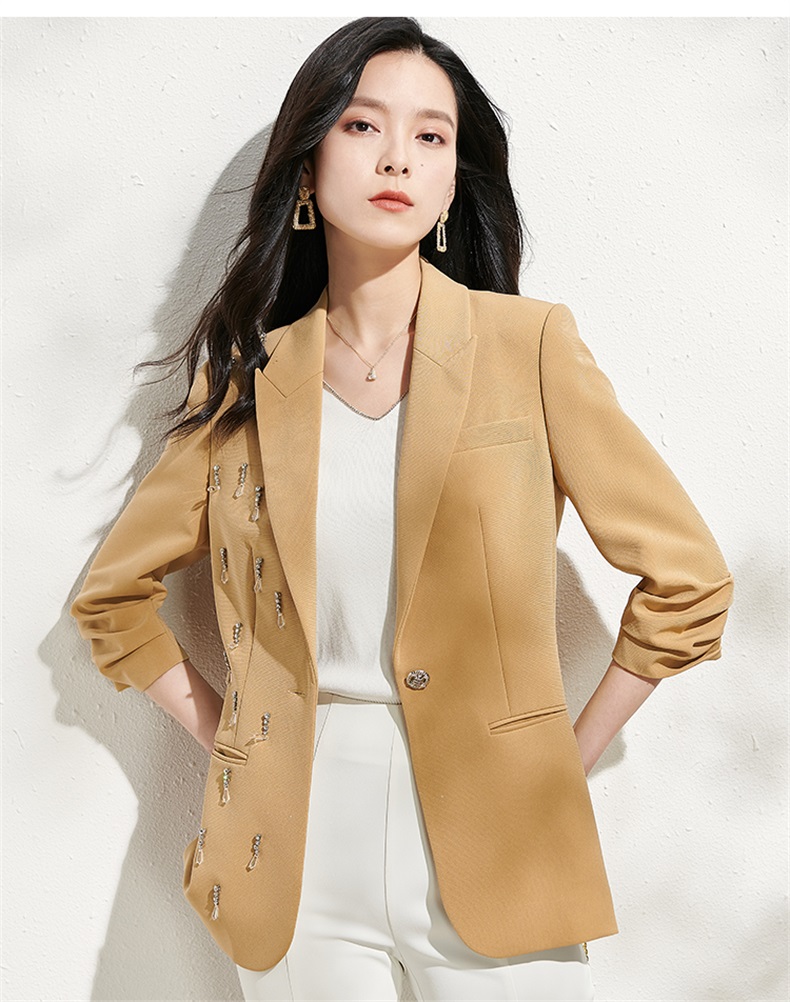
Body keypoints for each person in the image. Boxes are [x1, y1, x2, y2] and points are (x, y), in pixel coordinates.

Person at [70, 16, 735, 1002]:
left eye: (430, 135)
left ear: (453, 179)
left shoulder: (528, 347)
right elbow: (112, 600)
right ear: (307, 167)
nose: (397, 158)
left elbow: (690, 582)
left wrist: (561, 761)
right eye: (361, 125)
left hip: (499, 835)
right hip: (295, 853)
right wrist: (234, 739)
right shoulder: (248, 379)